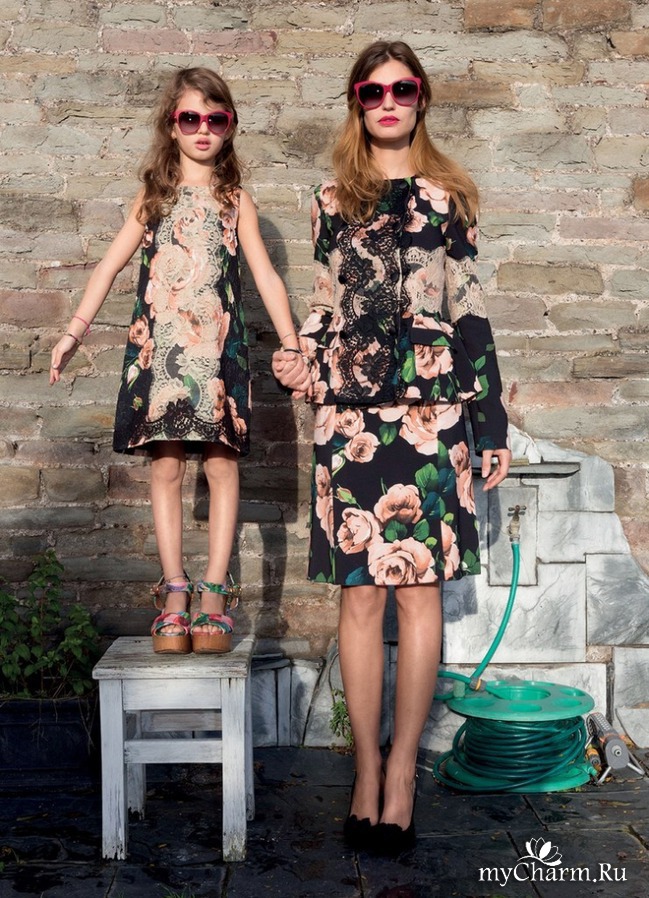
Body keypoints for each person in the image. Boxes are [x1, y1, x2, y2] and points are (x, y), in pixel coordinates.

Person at [273, 41, 511, 855]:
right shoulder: (331, 199)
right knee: (359, 597)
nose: (386, 102)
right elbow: (323, 303)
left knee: (418, 596)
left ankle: (403, 771)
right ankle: (364, 772)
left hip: (432, 414)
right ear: (355, 101)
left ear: (420, 99)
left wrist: (490, 425)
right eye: (370, 91)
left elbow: (469, 309)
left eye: (400, 89)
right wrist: (300, 360)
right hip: (347, 415)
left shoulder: (450, 198)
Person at [50, 67, 310, 655]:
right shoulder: (153, 198)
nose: (202, 129)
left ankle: (214, 594)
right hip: (161, 351)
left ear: (230, 127)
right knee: (164, 466)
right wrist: (73, 333)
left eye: (215, 119)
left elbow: (266, 276)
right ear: (171, 126)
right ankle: (173, 592)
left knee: (222, 464)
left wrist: (292, 344)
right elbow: (108, 266)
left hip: (218, 352)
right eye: (190, 118)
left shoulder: (235, 201)